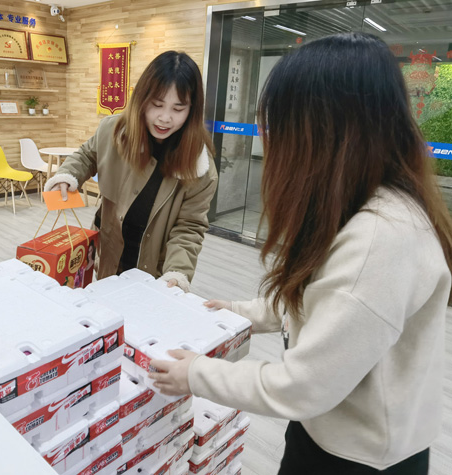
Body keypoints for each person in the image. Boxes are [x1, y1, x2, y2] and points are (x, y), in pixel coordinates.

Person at [148, 32, 452, 474]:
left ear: (327, 133)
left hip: (360, 457)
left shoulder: (382, 240)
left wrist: (196, 374)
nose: (274, 145)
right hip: (327, 428)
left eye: (280, 127)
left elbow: (304, 385)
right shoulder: (360, 203)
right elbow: (324, 302)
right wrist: (240, 311)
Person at [44, 51, 218, 292]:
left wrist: (177, 272)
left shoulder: (199, 166)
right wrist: (68, 176)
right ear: (142, 99)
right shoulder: (115, 130)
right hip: (109, 250)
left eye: (178, 109)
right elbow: (88, 154)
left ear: (192, 110)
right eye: (157, 105)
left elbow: (189, 228)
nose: (165, 118)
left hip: (154, 268)